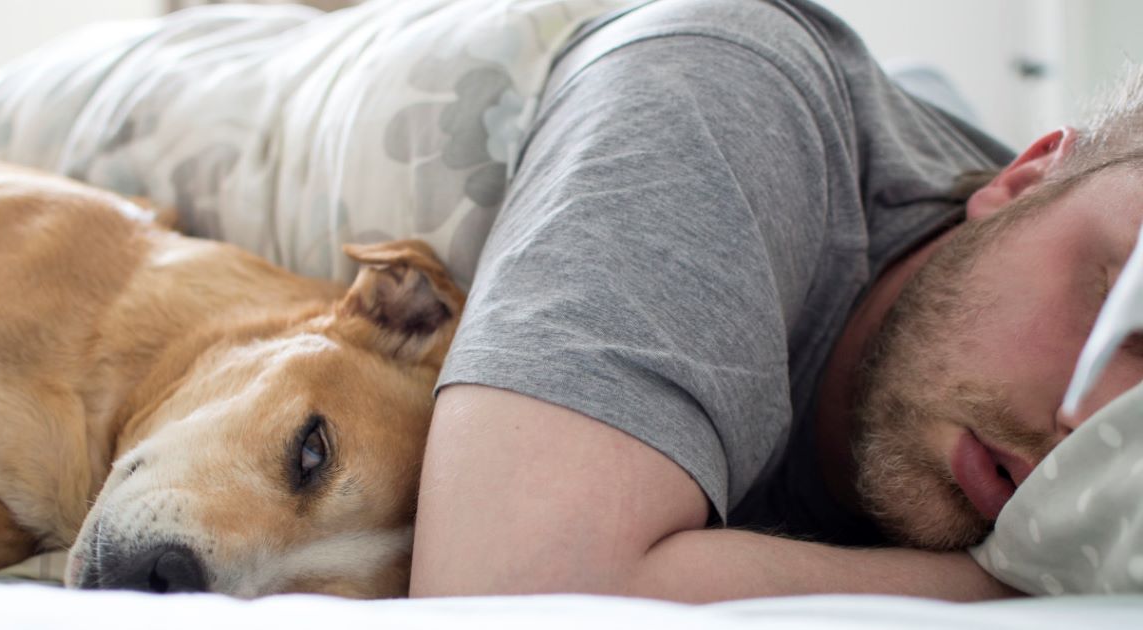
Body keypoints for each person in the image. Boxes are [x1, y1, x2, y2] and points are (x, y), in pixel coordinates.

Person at [408, 0, 1143, 601]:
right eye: (1115, 304)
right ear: (1024, 180)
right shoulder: (721, 94)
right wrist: (1034, 582)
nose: (1084, 424)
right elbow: (512, 595)